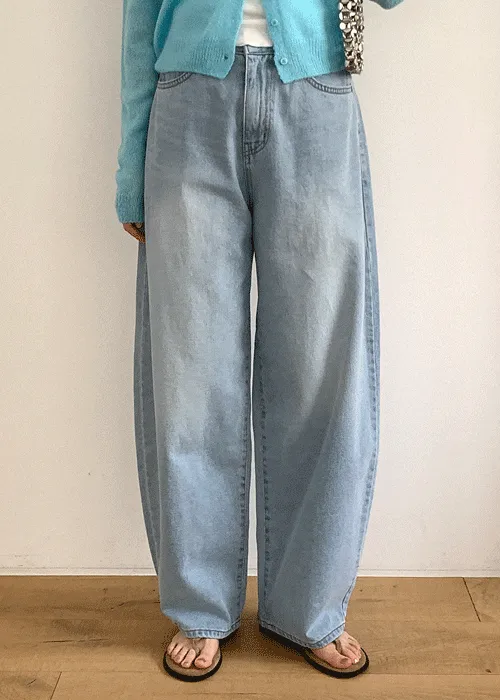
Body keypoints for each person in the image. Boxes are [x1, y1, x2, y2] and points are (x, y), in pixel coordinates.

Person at [115, 0, 405, 683]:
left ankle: (312, 606)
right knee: (190, 376)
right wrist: (132, 166)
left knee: (322, 371)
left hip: (316, 99)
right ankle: (199, 605)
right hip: (188, 102)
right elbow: (137, 18)